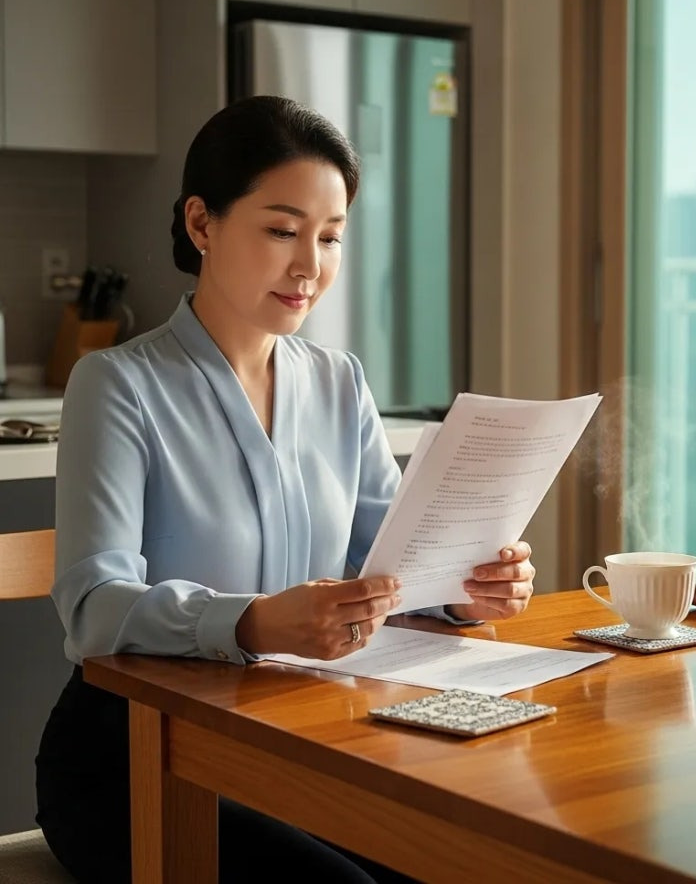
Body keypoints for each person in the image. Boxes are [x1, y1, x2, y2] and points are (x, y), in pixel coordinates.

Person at [35, 95, 536, 884]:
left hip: (303, 736)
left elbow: (388, 559)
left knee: (467, 862)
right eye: (281, 229)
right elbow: (95, 608)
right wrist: (257, 621)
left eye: (330, 237)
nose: (310, 266)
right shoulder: (117, 383)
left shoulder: (339, 382)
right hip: (133, 755)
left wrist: (462, 590)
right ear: (201, 224)